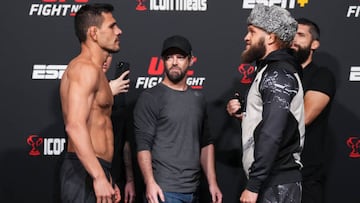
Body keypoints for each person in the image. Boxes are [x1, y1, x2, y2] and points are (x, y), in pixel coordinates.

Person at [226, 4, 305, 203]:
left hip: (276, 183)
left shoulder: (277, 73)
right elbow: (270, 125)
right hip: (274, 182)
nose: (246, 37)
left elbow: (272, 131)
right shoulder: (270, 71)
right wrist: (244, 117)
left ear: (271, 37)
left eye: (252, 31)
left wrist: (254, 185)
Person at [134, 35, 223, 203]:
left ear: (190, 60)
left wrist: (212, 183)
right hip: (163, 191)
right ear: (163, 61)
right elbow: (143, 144)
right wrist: (150, 182)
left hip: (193, 190)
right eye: (169, 58)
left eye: (180, 57)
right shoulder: (151, 97)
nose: (174, 62)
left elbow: (205, 142)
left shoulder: (198, 98)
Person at [59, 3, 122, 202]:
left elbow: (95, 124)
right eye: (112, 26)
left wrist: (107, 177)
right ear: (94, 33)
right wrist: (98, 177)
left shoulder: (97, 72)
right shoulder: (84, 69)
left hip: (95, 168)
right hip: (83, 171)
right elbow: (75, 126)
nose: (119, 31)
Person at [291, 18, 336, 203]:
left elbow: (304, 117)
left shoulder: (321, 76)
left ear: (314, 44)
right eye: (291, 34)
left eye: (300, 35)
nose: (293, 39)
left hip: (305, 177)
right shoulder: (276, 75)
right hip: (271, 174)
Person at [103, 54, 137, 203]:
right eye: (101, 52)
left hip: (115, 177)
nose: (105, 59)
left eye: (109, 54)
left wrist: (129, 179)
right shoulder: (80, 87)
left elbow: (125, 141)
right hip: (87, 175)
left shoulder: (121, 94)